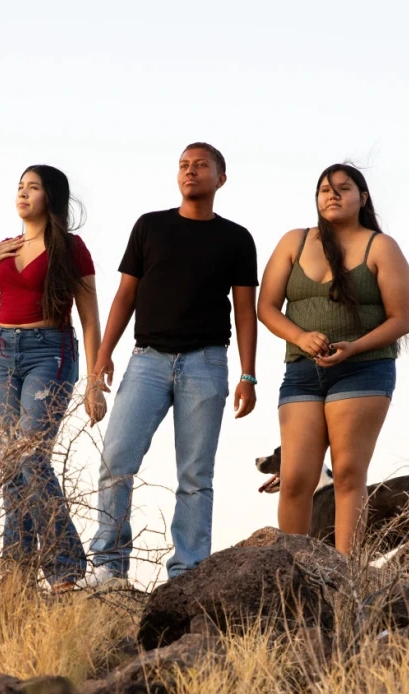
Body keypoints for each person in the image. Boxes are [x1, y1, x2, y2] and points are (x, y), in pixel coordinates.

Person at [86, 142, 259, 586]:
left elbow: (244, 311)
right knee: (115, 459)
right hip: (147, 361)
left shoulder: (236, 238)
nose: (190, 171)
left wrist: (247, 374)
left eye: (201, 165)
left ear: (221, 178)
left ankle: (188, 572)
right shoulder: (150, 227)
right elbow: (126, 294)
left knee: (196, 475)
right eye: (184, 165)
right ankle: (108, 565)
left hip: (206, 363)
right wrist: (103, 355)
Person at [0, 164, 107, 593]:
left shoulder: (71, 248)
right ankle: (17, 575)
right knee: (12, 465)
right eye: (19, 187)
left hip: (51, 352)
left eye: (33, 187)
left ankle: (64, 566)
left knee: (29, 455)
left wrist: (94, 382)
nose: (23, 193)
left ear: (51, 197)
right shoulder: (2, 250)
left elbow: (91, 320)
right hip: (3, 355)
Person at [257, 163, 409, 556]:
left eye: (344, 189)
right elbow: (268, 306)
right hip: (301, 372)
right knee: (295, 477)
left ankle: (346, 575)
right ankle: (292, 570)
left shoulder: (380, 246)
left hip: (363, 369)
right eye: (325, 189)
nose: (332, 195)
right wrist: (300, 336)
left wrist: (354, 347)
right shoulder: (294, 241)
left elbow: (402, 319)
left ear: (362, 198)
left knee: (346, 474)